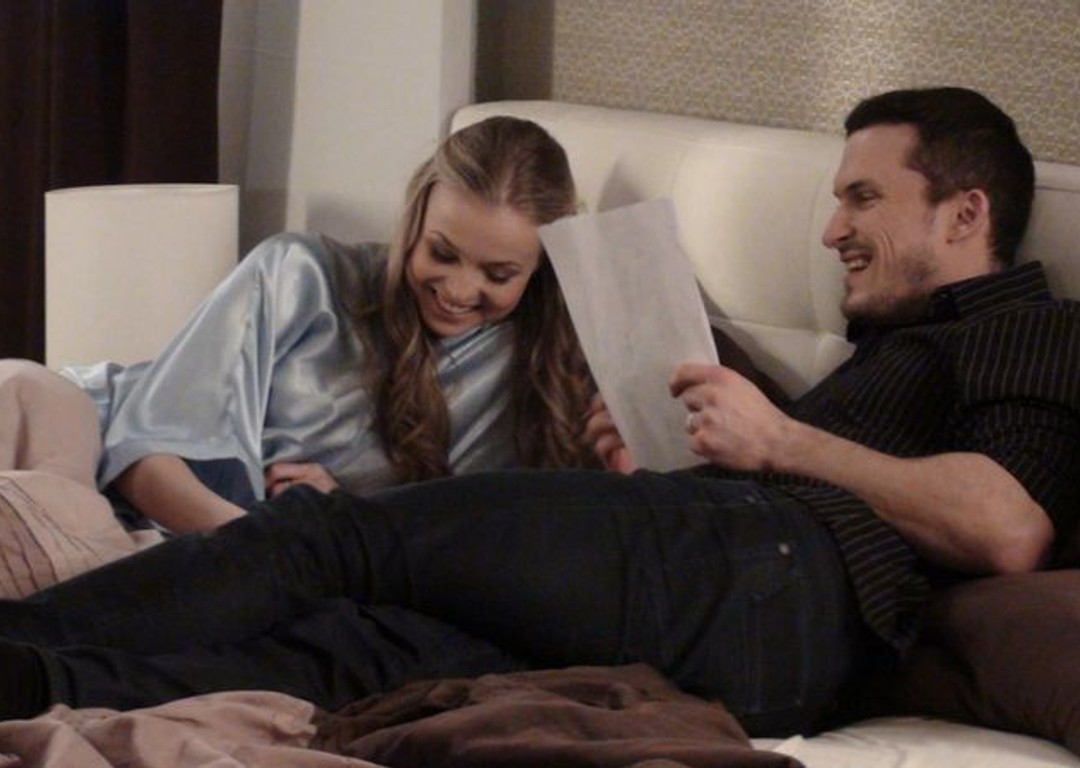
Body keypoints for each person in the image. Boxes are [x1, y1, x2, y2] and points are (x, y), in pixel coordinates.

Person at [1, 86, 1078, 738]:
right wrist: (656, 471)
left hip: (770, 577)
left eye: (863, 197)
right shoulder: (885, 357)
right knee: (353, 660)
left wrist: (778, 440)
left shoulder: (1027, 328)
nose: (833, 228)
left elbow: (1008, 526)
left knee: (332, 539)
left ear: (966, 213)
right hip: (743, 616)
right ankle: (38, 681)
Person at [1, 115, 596, 537]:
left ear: (542, 266)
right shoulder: (301, 274)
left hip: (161, 541)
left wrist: (337, 523)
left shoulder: (542, 377)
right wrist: (261, 547)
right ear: (415, 216)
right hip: (76, 433)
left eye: (498, 274)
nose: (460, 290)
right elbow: (140, 451)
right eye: (442, 253)